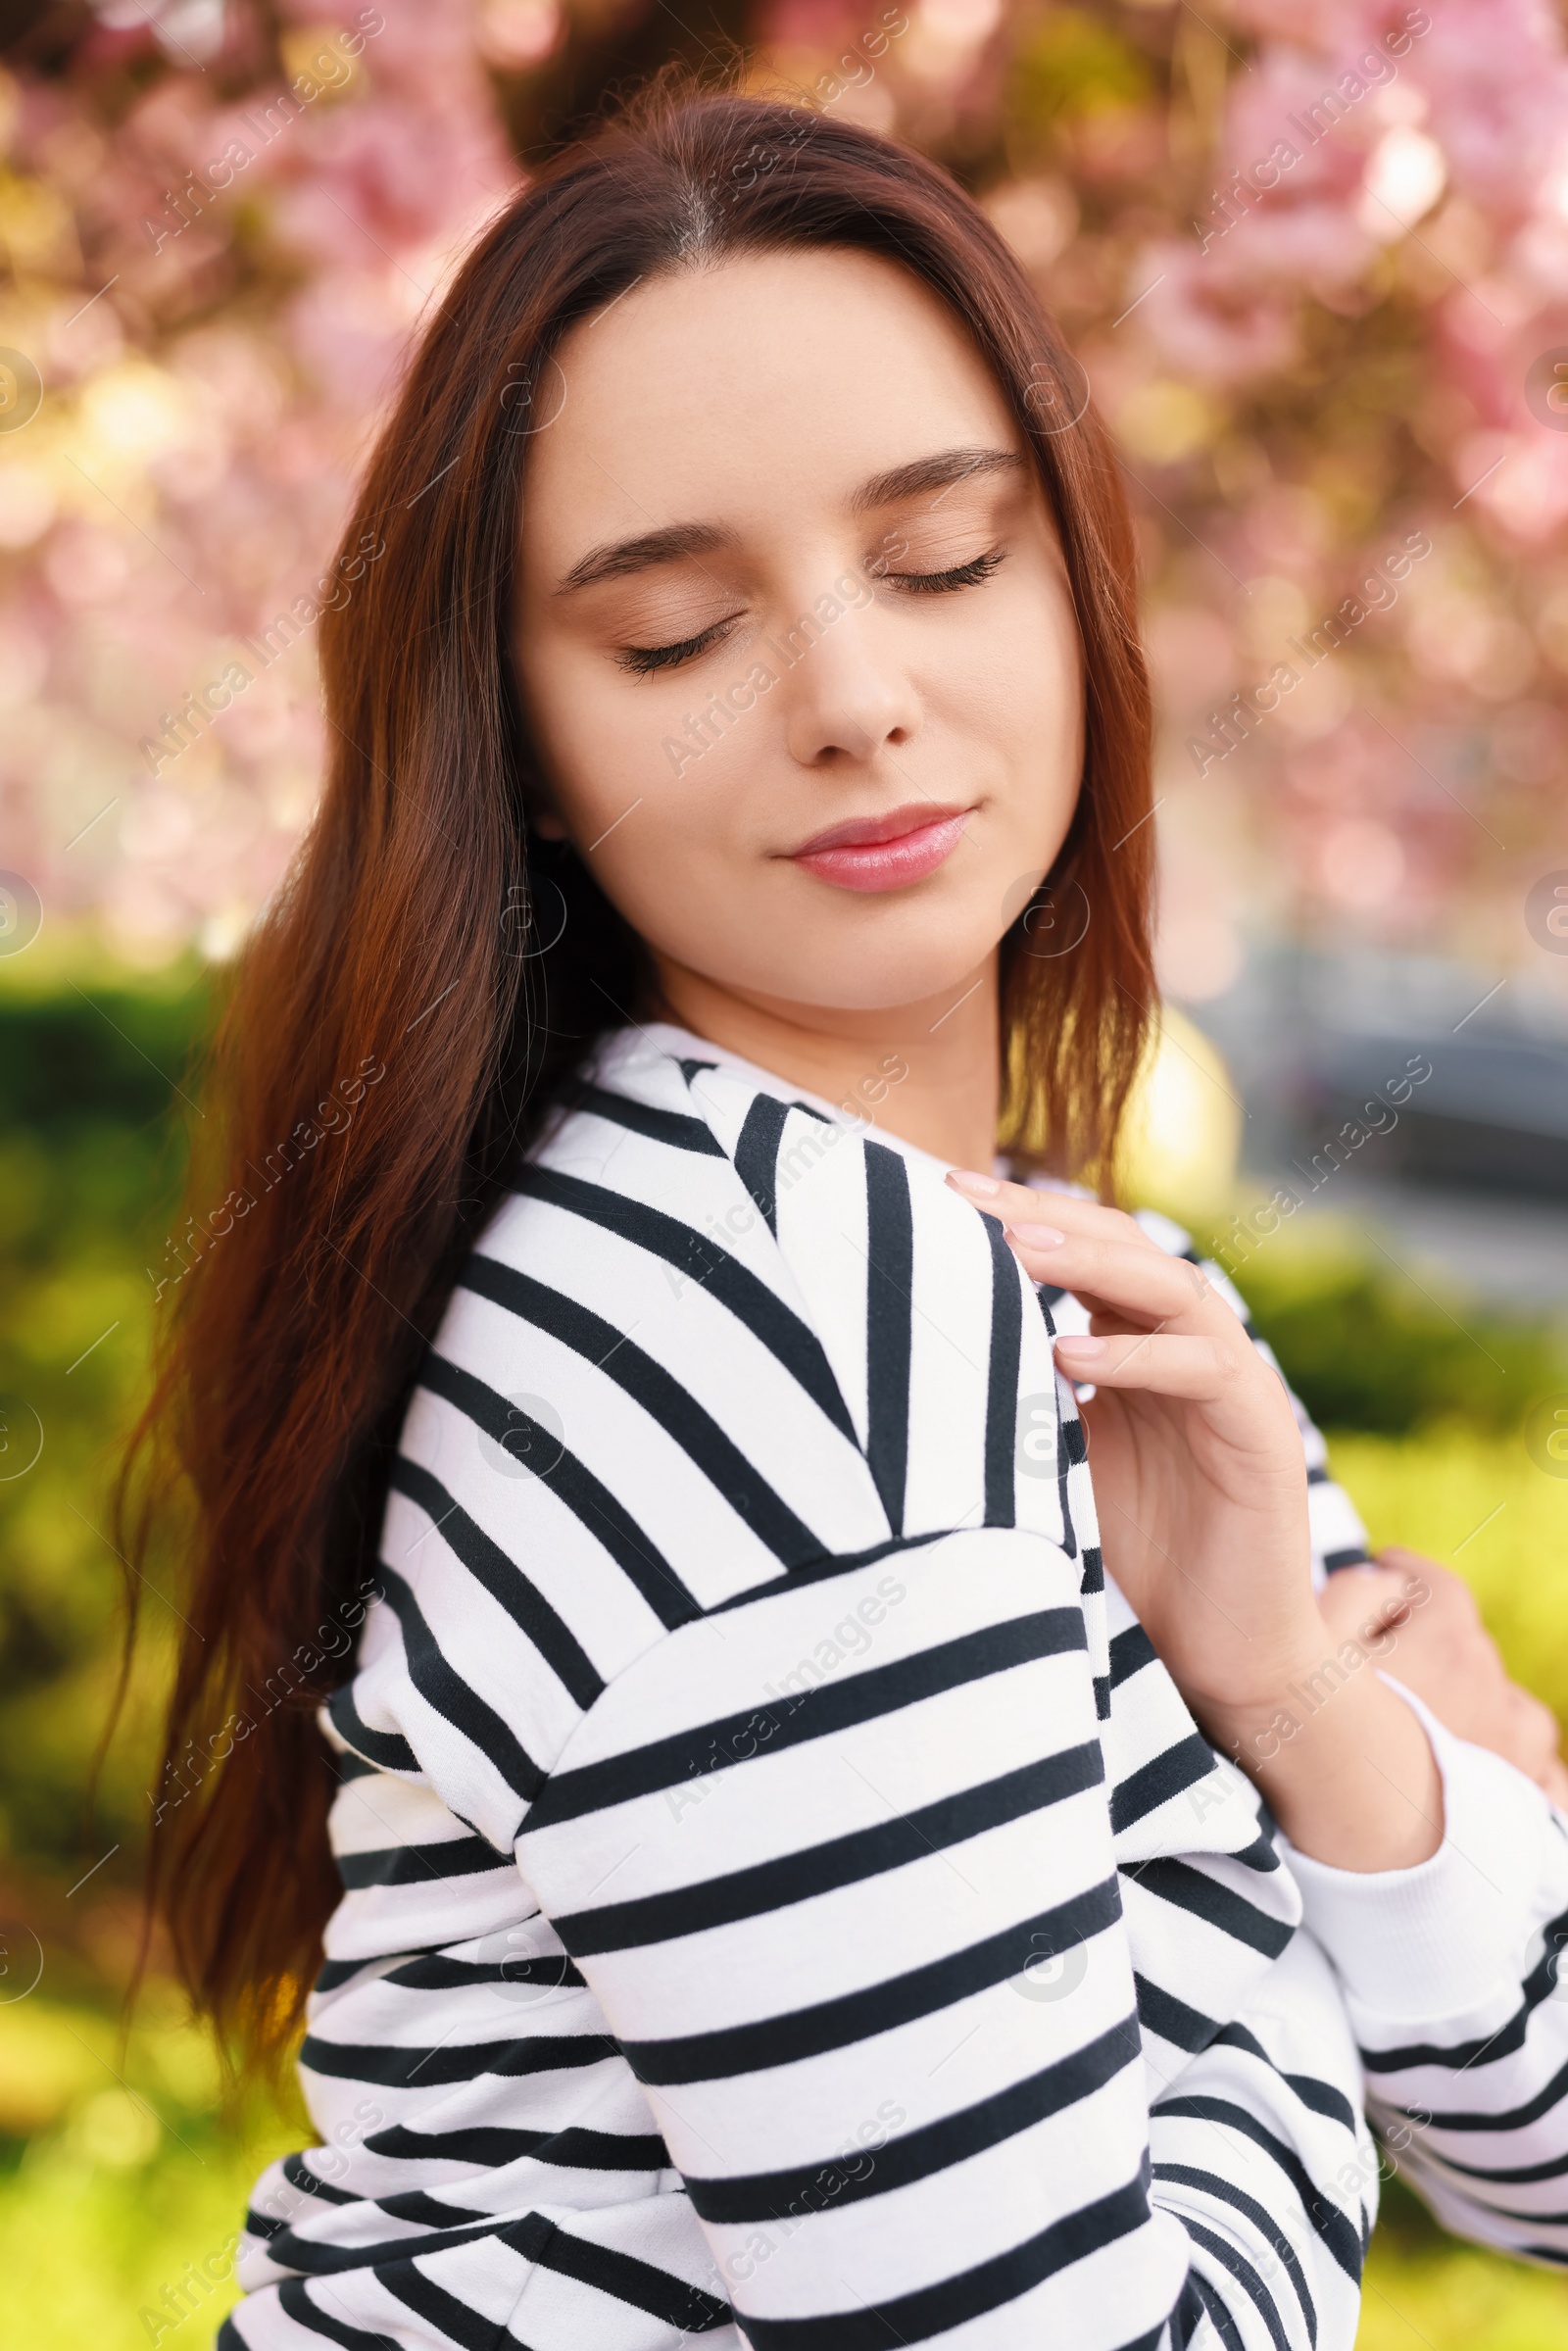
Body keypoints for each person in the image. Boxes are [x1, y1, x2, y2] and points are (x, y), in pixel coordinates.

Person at [130, 79, 1568, 2351]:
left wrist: (1297, 1702)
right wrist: (1431, 1806)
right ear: (517, 743)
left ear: (1076, 568)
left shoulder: (1074, 1277)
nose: (857, 703)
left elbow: (1545, 2161)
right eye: (677, 634)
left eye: (938, 561)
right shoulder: (759, 1299)